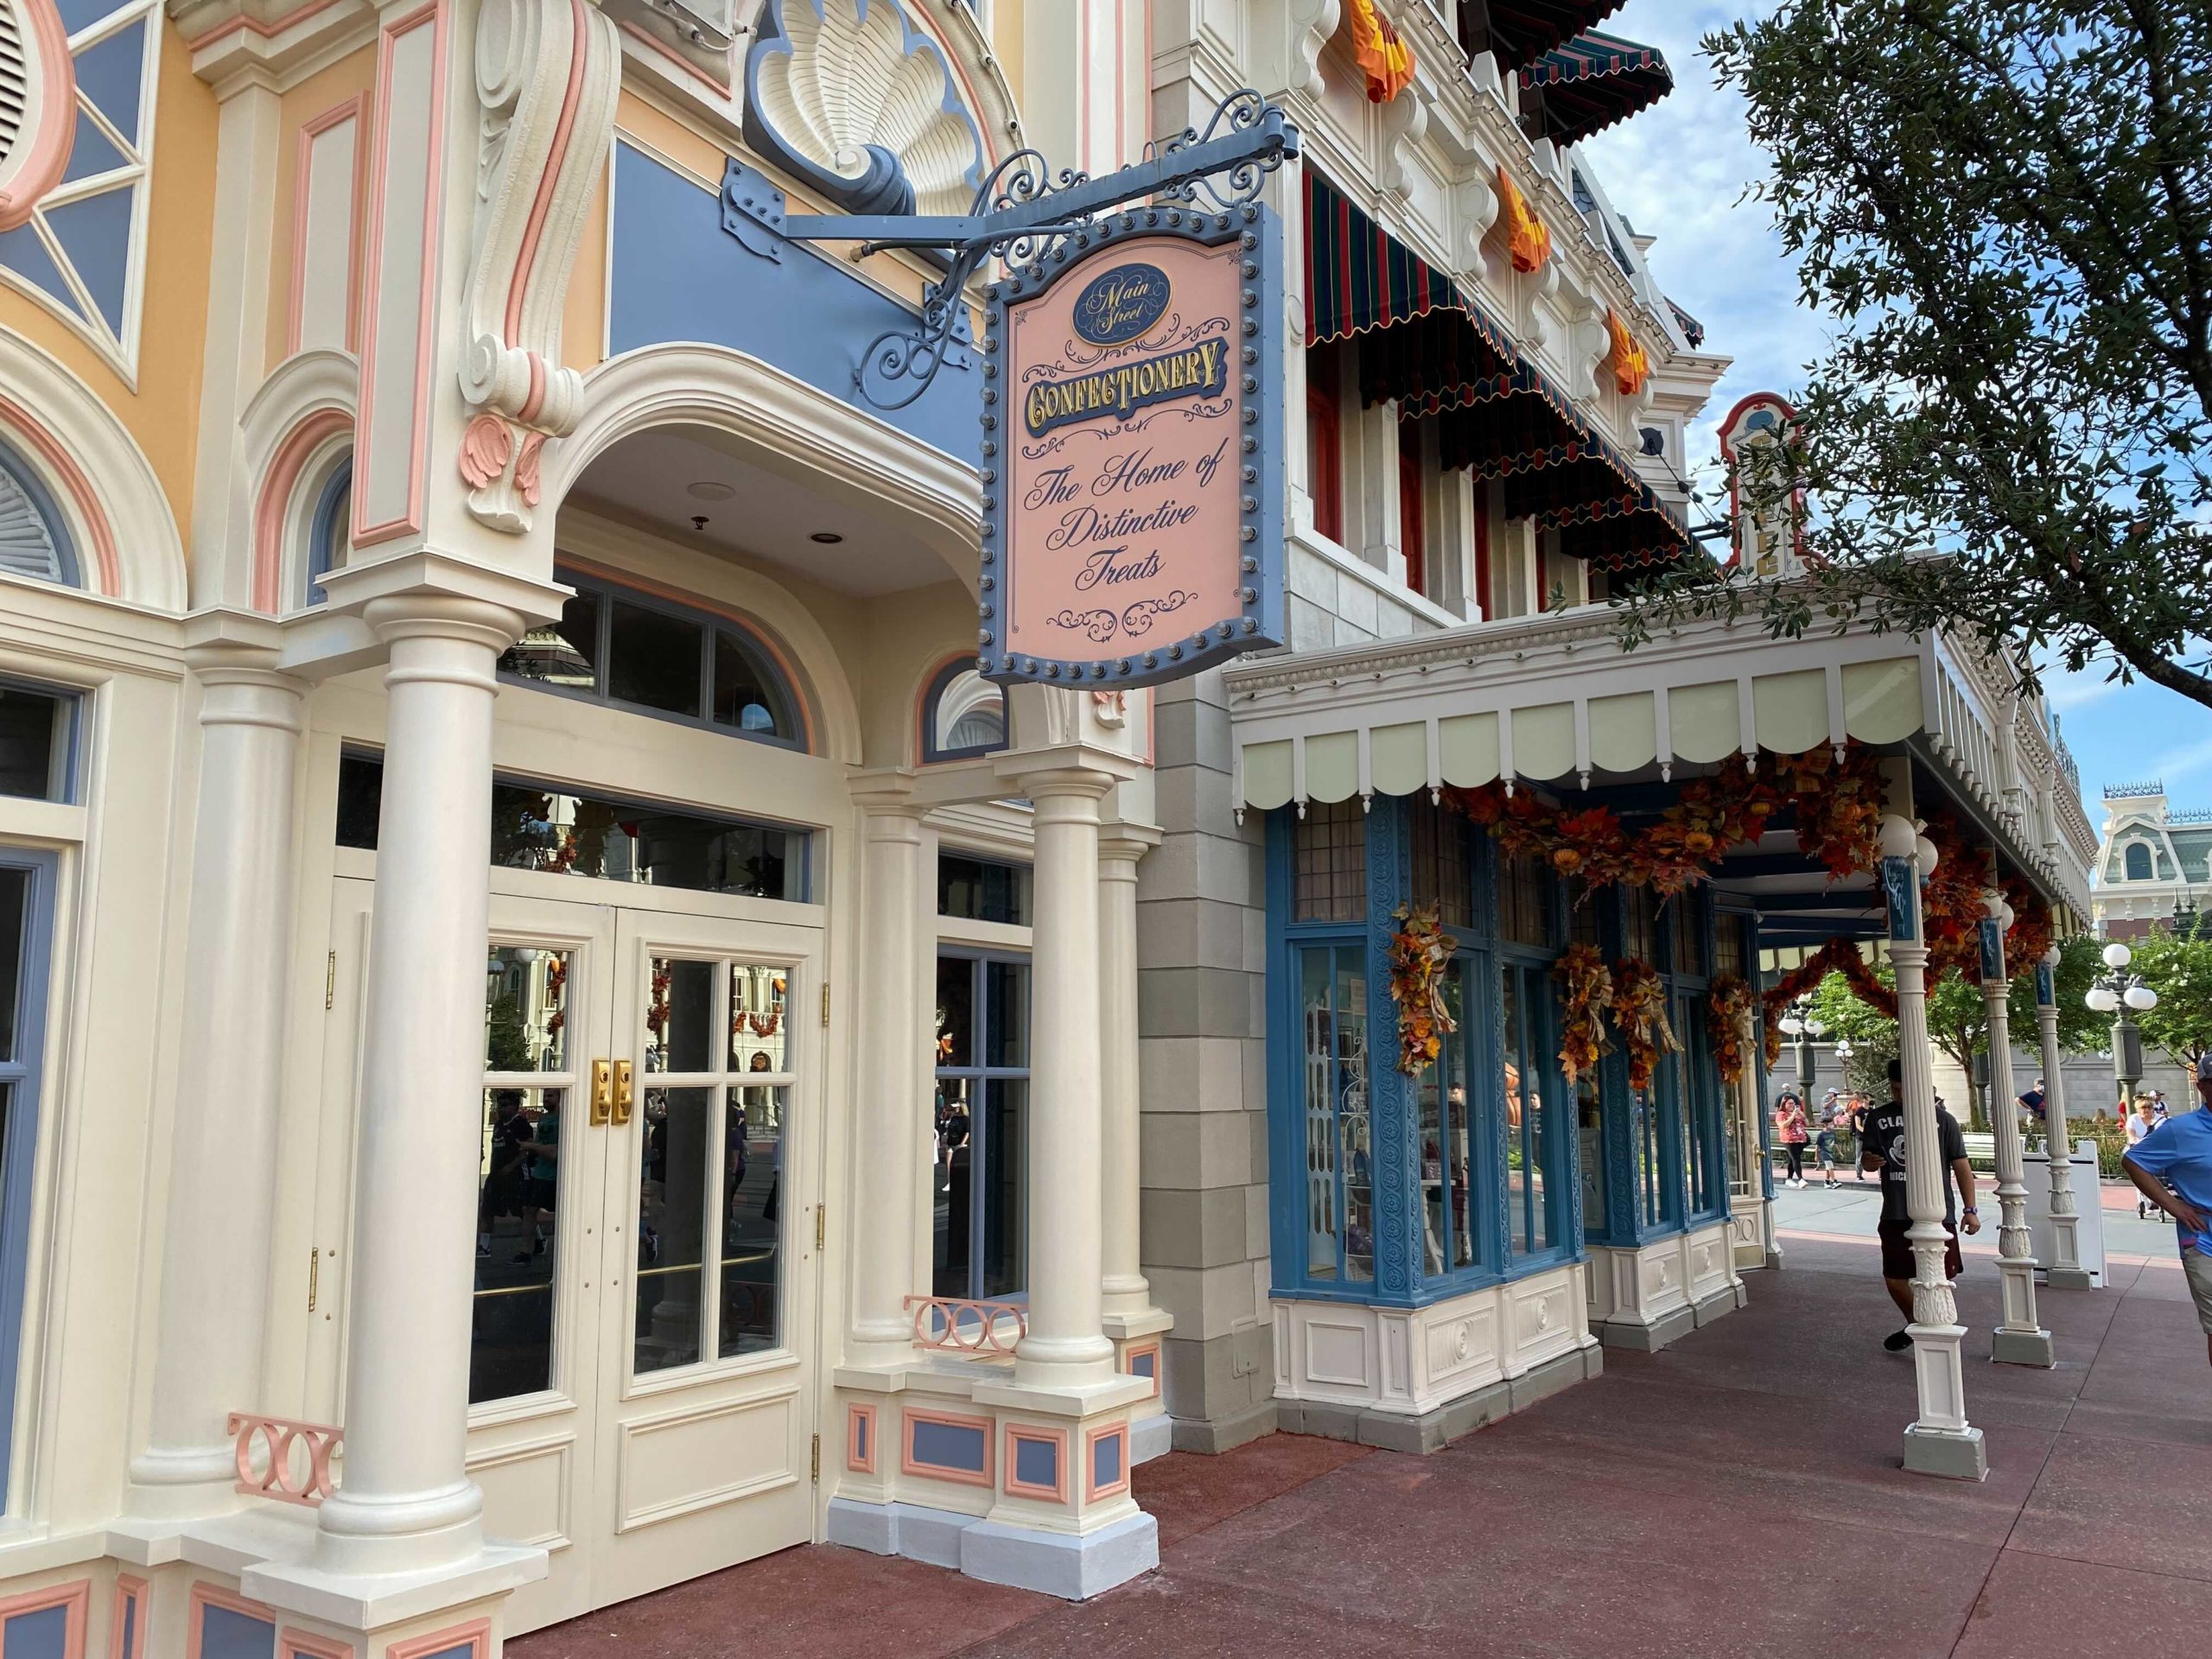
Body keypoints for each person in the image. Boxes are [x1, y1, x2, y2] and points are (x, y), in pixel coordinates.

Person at [1859, 1058, 1980, 1352]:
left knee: (1940, 1278)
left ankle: (1935, 1332)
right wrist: (1869, 1162)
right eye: (1895, 1089)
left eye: (1905, 1088)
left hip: (1937, 1211)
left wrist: (1970, 1209)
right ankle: (1918, 1325)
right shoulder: (1878, 1118)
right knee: (1895, 1277)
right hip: (1896, 1210)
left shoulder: (1943, 1119)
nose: (1900, 1095)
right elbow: (1868, 1160)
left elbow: (1961, 1166)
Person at [2122, 1107, 2212, 1367]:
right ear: (2203, 1087)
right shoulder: (2179, 1130)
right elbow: (2133, 1161)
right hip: (2205, 1239)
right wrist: (2173, 1205)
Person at [1776, 1091, 1809, 1187]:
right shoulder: (1781, 1113)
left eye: (1793, 1103)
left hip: (1800, 1139)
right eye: (1789, 1103)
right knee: (1796, 1158)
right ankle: (1801, 1179)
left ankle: (1789, 1178)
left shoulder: (1798, 1112)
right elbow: (1783, 1125)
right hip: (1789, 1139)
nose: (1792, 1105)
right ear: (1784, 1104)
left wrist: (1803, 1116)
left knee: (1793, 1159)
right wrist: (1793, 1116)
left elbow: (1807, 1124)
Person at [1815, 1090, 1844, 1188]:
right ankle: (1834, 1181)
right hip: (1825, 1153)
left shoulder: (1831, 1133)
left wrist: (1839, 1152)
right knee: (1830, 1167)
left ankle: (1827, 1182)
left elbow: (1835, 1143)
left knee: (1828, 1167)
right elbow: (1817, 1145)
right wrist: (1817, 1156)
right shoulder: (1822, 1134)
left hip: (1830, 1152)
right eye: (1835, 1094)